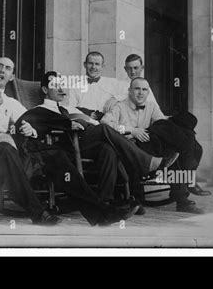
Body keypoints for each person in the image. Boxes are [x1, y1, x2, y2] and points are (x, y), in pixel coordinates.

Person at [0, 55, 138, 227]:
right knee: (7, 147)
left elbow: (26, 120)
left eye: (8, 68)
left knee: (56, 155)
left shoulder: (12, 102)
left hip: (12, 146)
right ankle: (38, 213)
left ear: (12, 76)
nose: (2, 70)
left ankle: (99, 213)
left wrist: (29, 130)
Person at [17, 71, 178, 216]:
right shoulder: (39, 111)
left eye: (63, 86)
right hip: (70, 147)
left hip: (84, 143)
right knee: (104, 129)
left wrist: (87, 119)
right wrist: (65, 125)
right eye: (56, 86)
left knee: (107, 149)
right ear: (45, 90)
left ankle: (105, 203)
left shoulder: (66, 108)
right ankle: (146, 162)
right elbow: (24, 123)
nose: (62, 90)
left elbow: (89, 118)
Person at [102, 77, 206, 214]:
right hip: (129, 146)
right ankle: (136, 201)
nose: (140, 93)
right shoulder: (120, 107)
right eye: (137, 89)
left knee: (171, 148)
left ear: (147, 92)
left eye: (144, 90)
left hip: (149, 144)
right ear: (129, 91)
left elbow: (162, 124)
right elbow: (104, 123)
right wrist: (131, 130)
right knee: (168, 151)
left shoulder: (150, 106)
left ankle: (182, 200)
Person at [68, 51, 129, 120]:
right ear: (85, 64)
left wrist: (115, 98)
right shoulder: (76, 87)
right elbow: (70, 108)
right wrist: (87, 113)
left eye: (97, 64)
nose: (93, 67)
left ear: (102, 67)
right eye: (90, 63)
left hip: (106, 122)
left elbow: (129, 91)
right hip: (85, 123)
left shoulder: (112, 83)